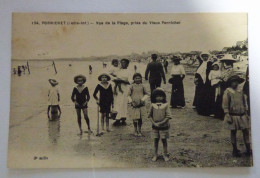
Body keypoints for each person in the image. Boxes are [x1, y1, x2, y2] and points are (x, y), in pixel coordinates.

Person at [222, 75, 251, 157]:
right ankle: (235, 150)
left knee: (246, 131)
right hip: (233, 115)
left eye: (237, 82)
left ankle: (248, 149)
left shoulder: (240, 91)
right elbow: (225, 104)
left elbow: (244, 102)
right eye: (233, 82)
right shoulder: (228, 91)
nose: (235, 83)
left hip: (242, 115)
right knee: (233, 132)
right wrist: (227, 114)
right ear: (230, 83)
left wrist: (246, 112)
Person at [148, 88, 172, 162]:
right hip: (155, 127)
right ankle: (155, 155)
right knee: (156, 141)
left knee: (164, 140)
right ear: (154, 97)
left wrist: (161, 123)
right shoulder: (152, 105)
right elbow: (149, 116)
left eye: (161, 96)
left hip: (164, 126)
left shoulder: (166, 105)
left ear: (164, 97)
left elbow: (168, 116)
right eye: (157, 96)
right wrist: (154, 123)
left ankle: (165, 154)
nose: (159, 98)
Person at [113, 59, 131, 126]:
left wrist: (121, 80)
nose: (123, 64)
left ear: (127, 64)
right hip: (117, 88)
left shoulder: (129, 71)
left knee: (123, 103)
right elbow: (113, 76)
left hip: (124, 88)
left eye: (124, 63)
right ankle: (117, 117)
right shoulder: (118, 71)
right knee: (117, 103)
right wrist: (116, 80)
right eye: (122, 62)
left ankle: (123, 118)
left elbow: (129, 82)